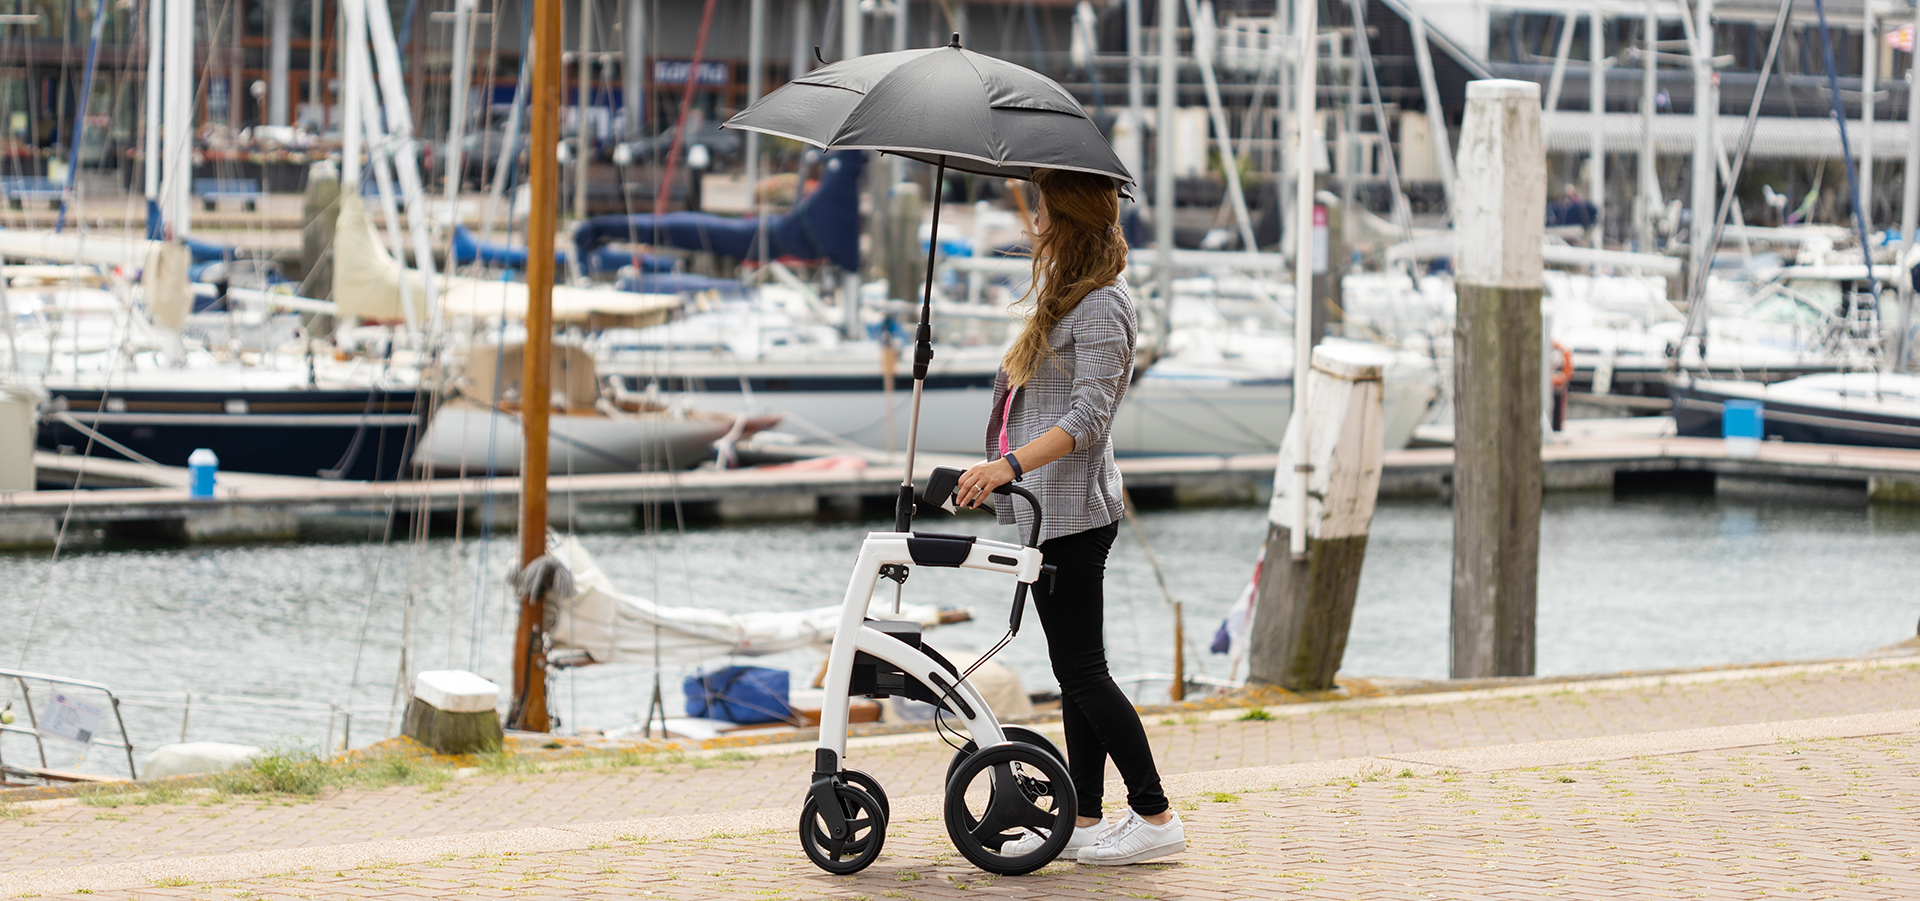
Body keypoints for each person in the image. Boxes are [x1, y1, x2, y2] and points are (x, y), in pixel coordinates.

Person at [952, 168, 1185, 866]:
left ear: (1075, 223)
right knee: (1073, 669)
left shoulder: (1105, 305)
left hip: (1074, 511)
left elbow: (1087, 417)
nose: (1035, 224)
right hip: (1048, 510)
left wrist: (1008, 465)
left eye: (1047, 212)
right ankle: (1082, 818)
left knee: (1084, 671)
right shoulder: (1068, 299)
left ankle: (1155, 813)